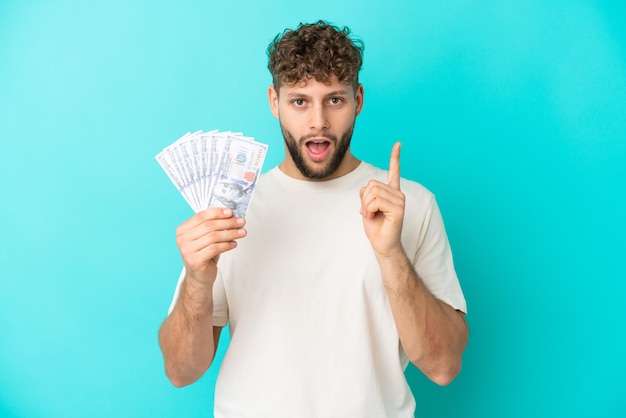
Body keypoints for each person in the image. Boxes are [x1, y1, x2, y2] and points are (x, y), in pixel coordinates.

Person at [159, 20, 468, 417]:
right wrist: (198, 283)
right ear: (274, 101)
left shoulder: (411, 204)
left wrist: (390, 254)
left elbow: (443, 366)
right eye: (300, 101)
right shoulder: (230, 209)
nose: (318, 121)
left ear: (358, 99)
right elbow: (180, 371)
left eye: (334, 100)